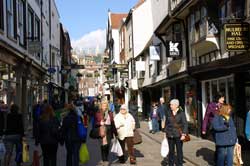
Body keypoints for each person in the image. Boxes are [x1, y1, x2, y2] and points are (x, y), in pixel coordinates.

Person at [165, 99, 188, 166]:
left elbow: (185, 124)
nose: (170, 106)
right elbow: (167, 123)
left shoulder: (181, 113)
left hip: (179, 135)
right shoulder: (168, 112)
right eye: (170, 105)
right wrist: (165, 133)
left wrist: (184, 134)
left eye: (171, 105)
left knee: (179, 151)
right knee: (171, 151)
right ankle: (171, 164)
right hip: (170, 134)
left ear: (176, 105)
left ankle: (180, 164)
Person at [94, 99, 117, 166]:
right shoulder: (98, 112)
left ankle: (106, 159)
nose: (105, 106)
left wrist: (116, 133)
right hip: (101, 130)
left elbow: (113, 123)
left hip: (109, 130)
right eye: (103, 105)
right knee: (102, 145)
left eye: (106, 105)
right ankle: (104, 159)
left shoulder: (110, 113)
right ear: (101, 105)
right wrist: (99, 123)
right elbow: (94, 123)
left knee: (107, 145)